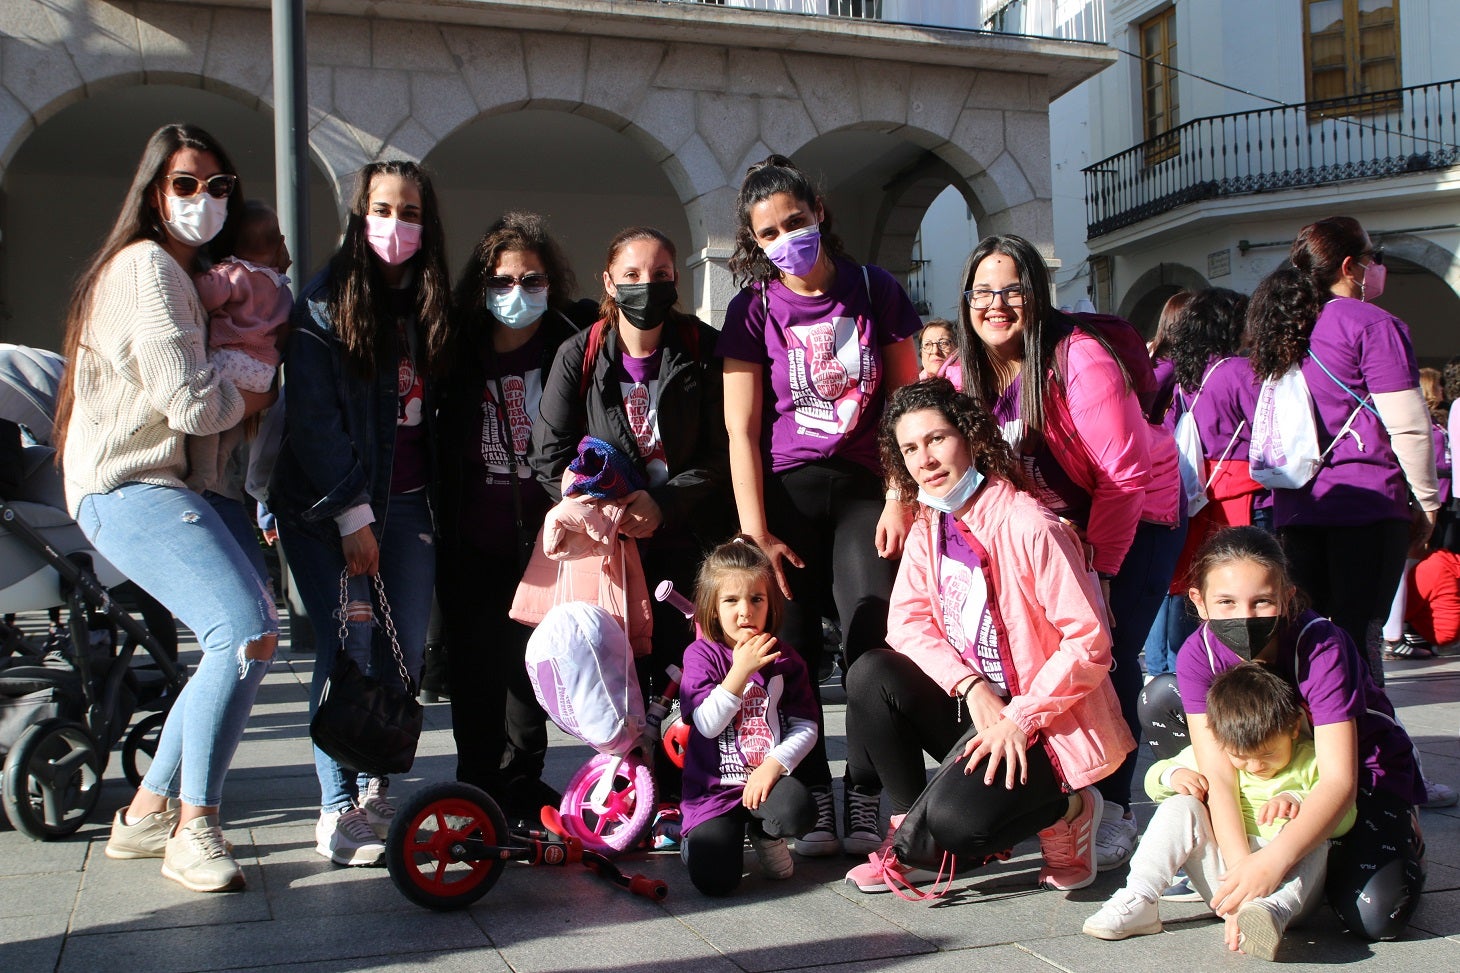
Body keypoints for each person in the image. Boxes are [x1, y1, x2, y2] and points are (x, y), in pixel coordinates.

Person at [53, 123, 277, 893]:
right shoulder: (148, 267)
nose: (204, 200)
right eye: (186, 184)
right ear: (153, 191)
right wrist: (255, 389)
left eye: (219, 186)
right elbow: (186, 400)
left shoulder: (188, 275)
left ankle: (148, 812)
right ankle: (194, 827)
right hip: (127, 485)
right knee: (242, 629)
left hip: (159, 487)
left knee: (248, 637)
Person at [842, 379, 1133, 894]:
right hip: (981, 705)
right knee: (870, 674)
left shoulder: (1029, 524)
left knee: (962, 825)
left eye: (937, 439)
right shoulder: (930, 522)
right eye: (910, 449)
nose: (925, 459)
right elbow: (905, 624)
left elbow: (1090, 643)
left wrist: (1020, 717)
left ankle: (1071, 810)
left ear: (970, 437)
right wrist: (970, 687)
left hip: (1045, 720)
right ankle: (912, 837)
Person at [951, 233, 1183, 870]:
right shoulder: (961, 372)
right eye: (982, 292)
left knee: (1106, 654)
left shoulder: (1079, 359)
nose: (996, 305)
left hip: (1136, 519)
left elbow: (1125, 476)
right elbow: (927, 437)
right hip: (1053, 533)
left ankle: (1116, 808)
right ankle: (1060, 794)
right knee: (1046, 661)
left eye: (1012, 289)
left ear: (1037, 295)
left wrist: (1103, 568)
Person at [718, 154, 921, 856]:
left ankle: (865, 790)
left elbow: (907, 404)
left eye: (795, 222)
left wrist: (901, 493)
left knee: (871, 634)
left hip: (867, 487)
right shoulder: (751, 310)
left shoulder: (876, 289)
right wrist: (755, 535)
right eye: (769, 232)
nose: (786, 240)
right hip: (785, 495)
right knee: (791, 649)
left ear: (820, 212)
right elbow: (741, 429)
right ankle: (810, 794)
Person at [269, 160, 452, 867]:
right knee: (347, 650)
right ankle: (335, 804)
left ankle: (378, 789)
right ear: (359, 215)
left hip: (409, 506)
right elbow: (313, 422)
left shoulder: (432, 306)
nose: (395, 224)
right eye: (381, 209)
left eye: (408, 211)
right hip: (328, 511)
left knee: (401, 650)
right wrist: (352, 516)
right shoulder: (324, 302)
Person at [1141, 526, 1427, 941]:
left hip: (1355, 772)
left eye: (1262, 601)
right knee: (1160, 697)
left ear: (1286, 597)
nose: (1245, 615)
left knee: (1377, 918)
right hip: (1260, 765)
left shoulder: (1319, 646)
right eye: (1226, 602)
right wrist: (1243, 874)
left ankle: (1394, 830)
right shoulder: (1197, 653)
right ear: (1199, 602)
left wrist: (1272, 863)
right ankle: (1270, 840)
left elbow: (1338, 780)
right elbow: (1218, 772)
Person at [528, 225, 730, 793]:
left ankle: (688, 790)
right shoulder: (581, 353)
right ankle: (631, 788)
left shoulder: (702, 348)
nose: (647, 286)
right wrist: (609, 512)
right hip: (612, 550)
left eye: (661, 275)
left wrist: (664, 502)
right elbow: (548, 455)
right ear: (609, 282)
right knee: (621, 674)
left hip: (688, 539)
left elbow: (726, 452)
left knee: (684, 667)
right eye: (634, 275)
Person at [437, 212, 593, 819]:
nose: (517, 293)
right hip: (471, 540)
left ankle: (521, 784)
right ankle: (475, 789)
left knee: (530, 670)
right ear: (483, 285)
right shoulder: (457, 353)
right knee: (476, 674)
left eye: (531, 280)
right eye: (503, 281)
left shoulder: (571, 346)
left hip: (544, 546)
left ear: (551, 282)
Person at [1245, 217, 1439, 685]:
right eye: (1373, 258)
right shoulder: (1373, 324)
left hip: (1297, 506)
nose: (1377, 267)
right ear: (1351, 267)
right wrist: (1428, 503)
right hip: (1367, 503)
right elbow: (1410, 427)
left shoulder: (1283, 324)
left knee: (1305, 641)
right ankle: (1367, 743)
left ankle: (1313, 744)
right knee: (1360, 639)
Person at [1086, 663, 1355, 960]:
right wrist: (1172, 775)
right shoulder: (1219, 755)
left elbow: (1345, 818)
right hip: (1226, 879)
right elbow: (1153, 780)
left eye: (1267, 754)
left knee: (1315, 829)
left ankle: (1266, 915)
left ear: (1293, 728)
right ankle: (1140, 896)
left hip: (1289, 889)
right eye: (1241, 757)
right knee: (1179, 805)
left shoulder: (1311, 761)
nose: (1255, 766)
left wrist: (1299, 800)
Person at [679, 538, 820, 896]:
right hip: (713, 793)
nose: (745, 611)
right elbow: (706, 724)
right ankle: (695, 840)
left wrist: (775, 764)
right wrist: (738, 673)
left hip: (764, 780)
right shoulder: (701, 656)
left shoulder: (786, 659)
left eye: (756, 599)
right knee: (715, 881)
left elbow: (806, 725)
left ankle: (764, 832)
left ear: (770, 604)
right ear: (712, 609)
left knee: (799, 811)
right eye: (731, 600)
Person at [1148, 288, 1263, 676]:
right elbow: (1266, 431)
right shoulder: (1238, 371)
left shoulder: (1187, 375)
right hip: (1241, 490)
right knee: (1245, 589)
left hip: (1197, 492)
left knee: (1204, 589)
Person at [187, 200, 292, 494]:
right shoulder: (280, 287)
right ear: (278, 245)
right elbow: (285, 331)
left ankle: (204, 470)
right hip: (262, 372)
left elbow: (205, 295)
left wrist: (200, 274)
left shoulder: (232, 273)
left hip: (228, 360)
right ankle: (223, 458)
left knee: (208, 416)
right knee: (233, 420)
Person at [1381, 366, 1450, 660]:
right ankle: (1396, 634)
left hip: (1420, 501)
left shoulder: (1437, 425)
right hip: (1413, 503)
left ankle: (1400, 631)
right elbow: (1425, 461)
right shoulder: (1422, 426)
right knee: (1400, 570)